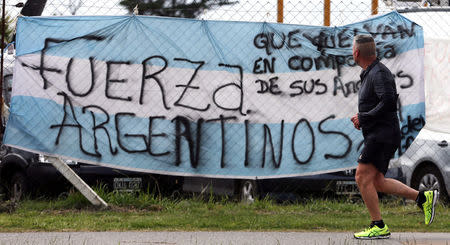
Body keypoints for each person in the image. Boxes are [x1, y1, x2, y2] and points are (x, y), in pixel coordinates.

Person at [350, 34, 438, 240]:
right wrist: (364, 119)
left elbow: (389, 102)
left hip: (382, 135)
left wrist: (364, 117)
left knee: (361, 177)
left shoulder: (378, 73)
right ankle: (423, 198)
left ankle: (378, 225)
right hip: (381, 134)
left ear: (356, 53)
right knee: (377, 181)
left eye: (351, 50)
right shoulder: (371, 73)